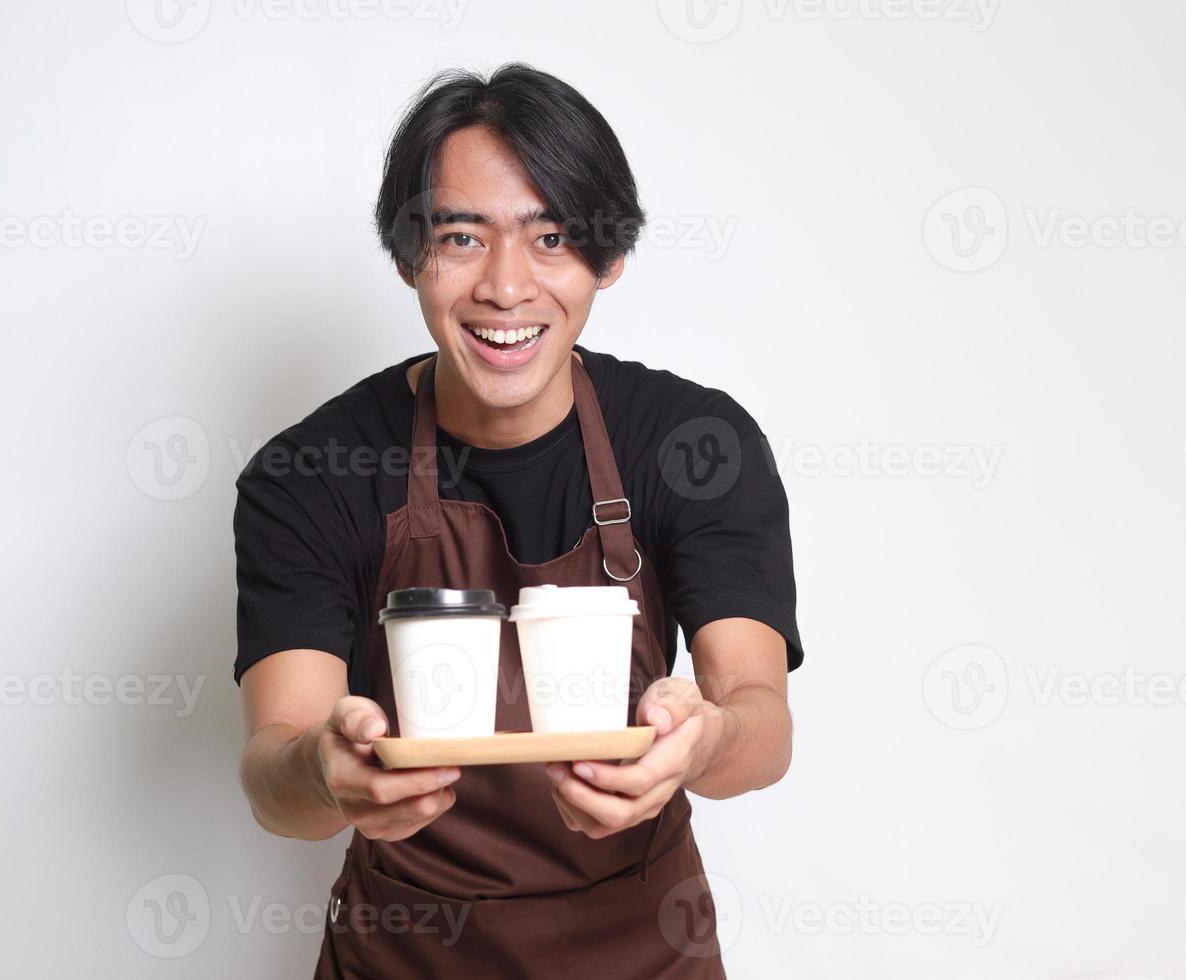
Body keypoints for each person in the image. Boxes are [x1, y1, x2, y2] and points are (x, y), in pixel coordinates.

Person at [233, 62, 805, 979]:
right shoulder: (311, 471)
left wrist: (704, 739)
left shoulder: (694, 443)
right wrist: (322, 771)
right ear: (406, 253)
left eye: (551, 238)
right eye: (462, 237)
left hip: (644, 948)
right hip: (406, 955)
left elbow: (760, 728)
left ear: (609, 257)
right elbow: (275, 777)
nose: (506, 287)